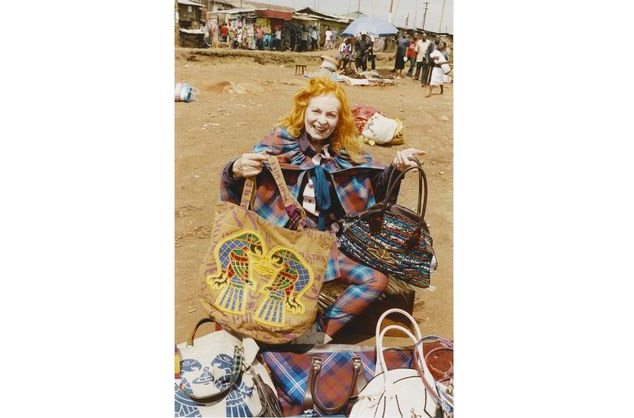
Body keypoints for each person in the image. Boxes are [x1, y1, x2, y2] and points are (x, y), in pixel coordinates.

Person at [220, 77, 425, 344]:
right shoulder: (278, 143)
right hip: (281, 243)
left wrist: (397, 168)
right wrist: (235, 169)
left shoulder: (347, 152)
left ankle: (317, 334)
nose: (321, 121)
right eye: (316, 111)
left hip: (327, 244)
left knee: (375, 280)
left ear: (339, 120)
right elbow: (238, 185)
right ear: (303, 111)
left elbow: (376, 194)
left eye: (331, 115)